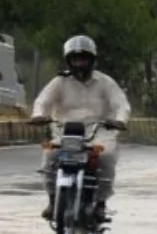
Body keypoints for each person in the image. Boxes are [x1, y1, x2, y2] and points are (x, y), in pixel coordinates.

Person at [29, 36, 130, 222]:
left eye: (83, 59)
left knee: (105, 157)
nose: (79, 64)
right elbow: (43, 101)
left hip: (99, 132)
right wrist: (38, 115)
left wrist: (119, 120)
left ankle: (100, 204)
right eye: (75, 59)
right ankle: (52, 201)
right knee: (49, 155)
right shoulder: (59, 81)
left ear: (92, 60)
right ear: (69, 61)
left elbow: (121, 104)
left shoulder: (105, 82)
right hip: (65, 131)